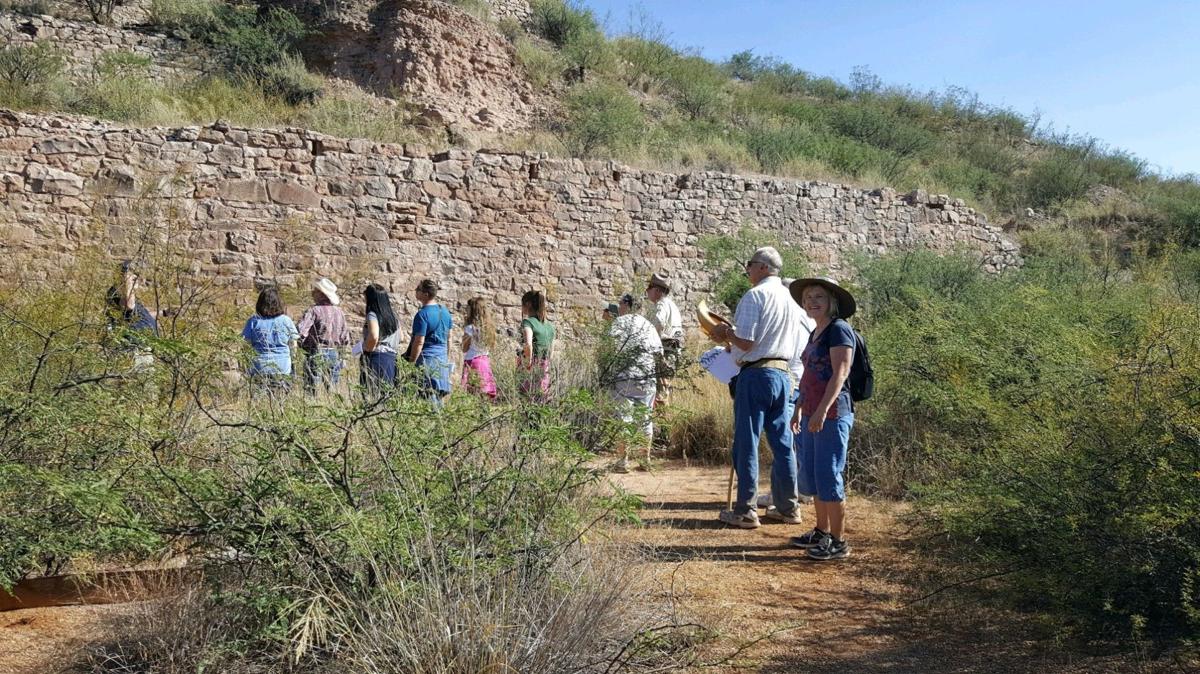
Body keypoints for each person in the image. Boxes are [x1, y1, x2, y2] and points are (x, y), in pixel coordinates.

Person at [706, 246, 805, 529]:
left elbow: (747, 342)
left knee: (747, 441)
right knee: (783, 443)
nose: (747, 269)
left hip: (756, 374)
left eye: (750, 264)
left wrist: (724, 333)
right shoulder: (790, 299)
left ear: (762, 267)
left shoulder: (755, 295)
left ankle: (746, 510)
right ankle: (788, 507)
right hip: (783, 375)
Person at [789, 277, 858, 560]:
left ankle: (839, 541)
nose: (811, 302)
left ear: (831, 301)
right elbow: (809, 374)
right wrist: (799, 407)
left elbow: (840, 373)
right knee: (815, 475)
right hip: (813, 413)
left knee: (829, 474)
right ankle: (821, 531)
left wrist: (820, 411)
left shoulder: (839, 330)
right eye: (807, 298)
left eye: (818, 297)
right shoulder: (816, 332)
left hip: (832, 414)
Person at [608, 293, 663, 473]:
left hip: (625, 376)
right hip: (646, 378)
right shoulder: (648, 325)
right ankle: (644, 459)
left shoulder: (619, 323)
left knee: (624, 418)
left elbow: (609, 348)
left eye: (620, 304)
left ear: (627, 304)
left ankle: (622, 461)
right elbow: (658, 353)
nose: (618, 308)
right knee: (645, 418)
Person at [296, 277, 351, 394]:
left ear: (321, 294)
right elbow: (345, 338)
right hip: (334, 353)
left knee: (312, 389)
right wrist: (343, 356)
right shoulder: (339, 312)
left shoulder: (314, 311)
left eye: (315, 291)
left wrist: (302, 346)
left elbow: (300, 332)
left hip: (316, 352)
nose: (312, 293)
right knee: (331, 390)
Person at [241, 286, 299, 394]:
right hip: (283, 366)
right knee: (281, 396)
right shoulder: (286, 321)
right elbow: (293, 345)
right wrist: (293, 362)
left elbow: (245, 345)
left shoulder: (254, 321)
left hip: (259, 366)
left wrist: (246, 365)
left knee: (260, 397)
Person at [405, 279, 453, 402]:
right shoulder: (445, 312)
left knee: (427, 398)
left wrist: (411, 362)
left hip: (427, 360)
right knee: (438, 396)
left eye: (418, 289)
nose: (416, 291)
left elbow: (419, 342)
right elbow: (449, 338)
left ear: (426, 294)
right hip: (441, 359)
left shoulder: (422, 315)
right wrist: (446, 358)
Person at [105, 260, 158, 371]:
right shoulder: (115, 293)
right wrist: (127, 281)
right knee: (142, 386)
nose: (137, 280)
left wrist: (163, 313)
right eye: (133, 277)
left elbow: (140, 314)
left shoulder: (130, 298)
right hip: (134, 349)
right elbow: (128, 306)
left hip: (142, 349)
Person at [645, 271, 684, 407]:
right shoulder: (671, 305)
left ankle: (662, 426)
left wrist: (647, 338)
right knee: (664, 389)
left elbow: (658, 323)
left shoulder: (662, 304)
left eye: (649, 288)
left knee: (660, 393)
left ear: (656, 290)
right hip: (672, 350)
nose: (647, 291)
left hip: (665, 351)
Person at [361, 283, 400, 391]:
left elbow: (374, 336)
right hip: (391, 358)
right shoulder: (394, 317)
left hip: (375, 358)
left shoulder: (372, 315)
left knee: (371, 395)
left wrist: (366, 348)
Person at [518, 290, 555, 401]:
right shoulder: (550, 326)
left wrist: (527, 365)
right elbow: (551, 351)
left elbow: (528, 344)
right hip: (545, 365)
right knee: (541, 397)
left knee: (527, 397)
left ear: (528, 304)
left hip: (532, 363)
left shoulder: (528, 322)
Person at [461, 297, 498, 400]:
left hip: (472, 361)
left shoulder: (470, 328)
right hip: (485, 361)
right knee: (484, 396)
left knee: (473, 396)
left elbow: (464, 348)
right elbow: (492, 345)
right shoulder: (489, 328)